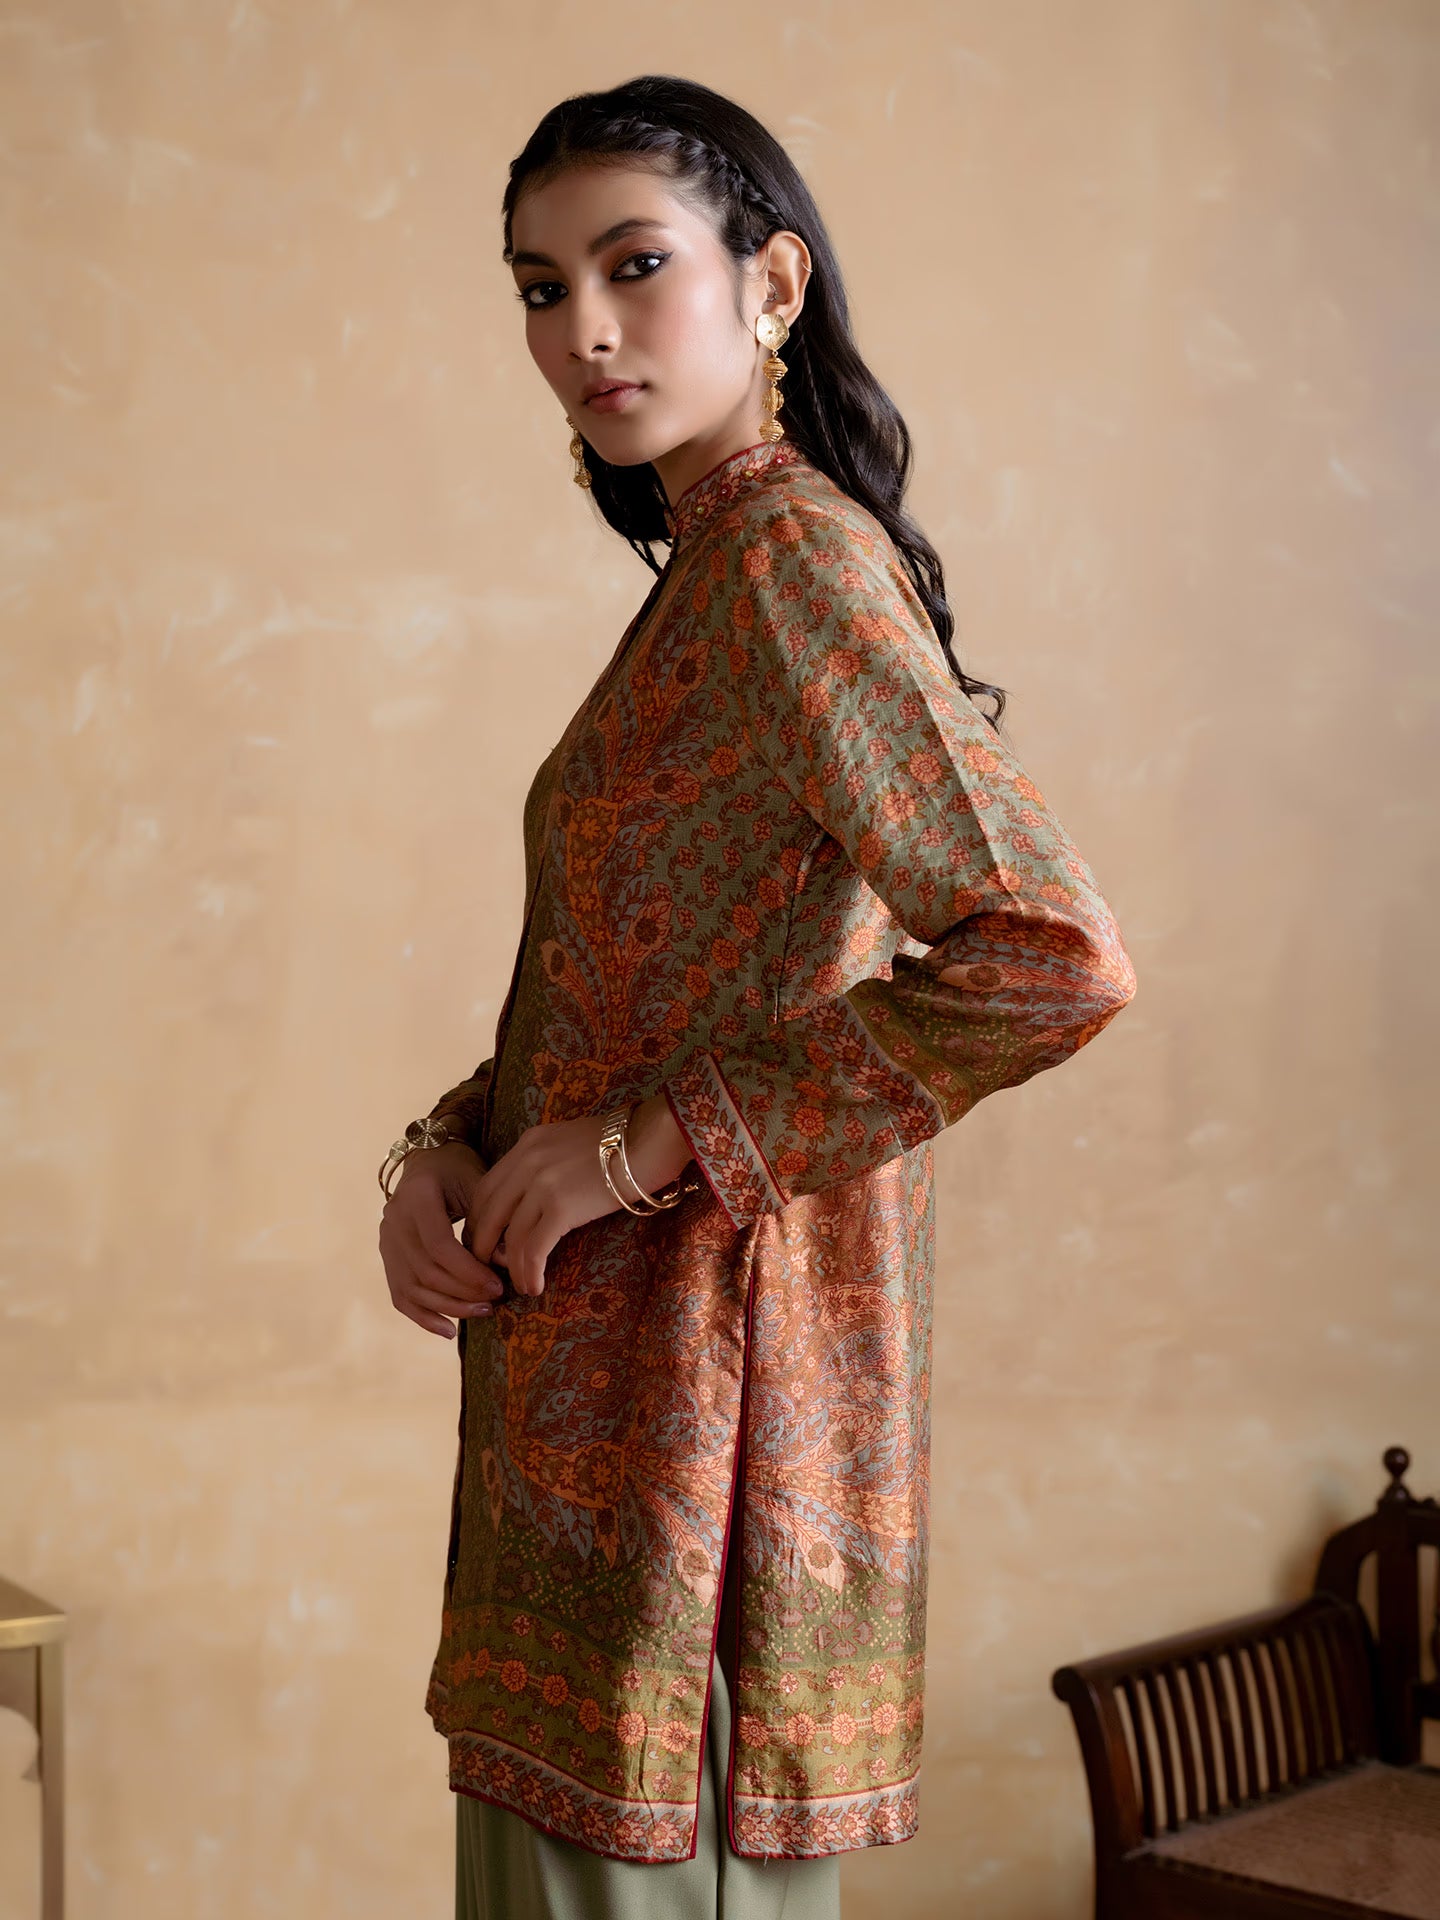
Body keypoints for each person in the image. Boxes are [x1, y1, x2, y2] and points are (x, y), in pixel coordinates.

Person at [376, 73, 1138, 1920]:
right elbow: (625, 981)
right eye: (540, 288)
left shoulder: (792, 563)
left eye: (636, 265)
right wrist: (443, 1153)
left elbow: (1052, 960)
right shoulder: (709, 581)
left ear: (773, 284)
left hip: (699, 1463)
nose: (585, 331)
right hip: (588, 1432)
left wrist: (644, 1152)